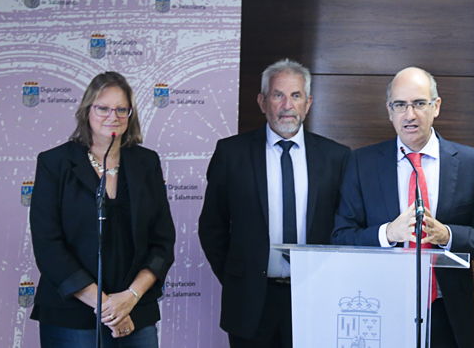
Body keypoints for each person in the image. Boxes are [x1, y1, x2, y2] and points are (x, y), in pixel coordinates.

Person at [332, 66, 474, 348]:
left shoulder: (473, 165)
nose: (409, 115)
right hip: (379, 309)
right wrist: (388, 233)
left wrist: (448, 236)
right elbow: (341, 237)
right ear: (389, 111)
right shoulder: (361, 163)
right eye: (400, 105)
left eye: (419, 104)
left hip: (445, 313)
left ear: (436, 107)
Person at [198, 59, 351, 348]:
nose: (287, 105)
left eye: (296, 96)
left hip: (315, 299)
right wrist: (238, 278)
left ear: (308, 103)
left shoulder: (337, 157)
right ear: (262, 101)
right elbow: (212, 227)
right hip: (252, 301)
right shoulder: (232, 154)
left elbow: (345, 229)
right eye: (278, 95)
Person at [29, 72, 176, 347]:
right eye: (103, 108)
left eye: (122, 109)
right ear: (87, 111)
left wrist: (129, 298)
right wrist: (110, 308)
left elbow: (162, 242)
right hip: (70, 314)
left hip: (135, 310)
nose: (113, 116)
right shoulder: (55, 163)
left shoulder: (147, 163)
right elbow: (48, 246)